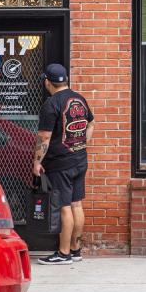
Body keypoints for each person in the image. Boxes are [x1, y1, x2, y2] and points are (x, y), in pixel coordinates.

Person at [33, 63, 95, 265]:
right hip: (79, 159)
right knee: (77, 204)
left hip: (61, 163)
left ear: (47, 82)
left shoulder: (51, 104)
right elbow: (91, 123)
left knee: (64, 207)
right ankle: (76, 250)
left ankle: (63, 253)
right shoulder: (80, 99)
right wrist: (82, 142)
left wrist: (37, 162)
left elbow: (44, 136)